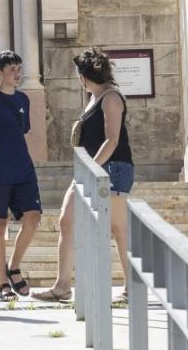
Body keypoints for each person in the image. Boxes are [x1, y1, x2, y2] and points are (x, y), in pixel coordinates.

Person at [34, 48, 135, 304]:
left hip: (113, 168)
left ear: (84, 75)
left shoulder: (111, 98)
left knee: (118, 228)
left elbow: (112, 141)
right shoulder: (93, 97)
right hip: (89, 168)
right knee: (66, 221)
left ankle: (132, 287)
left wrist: (90, 169)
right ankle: (62, 286)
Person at [0, 50, 42, 302]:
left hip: (23, 169)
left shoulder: (24, 99)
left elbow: (21, 133)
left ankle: (13, 267)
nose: (16, 73)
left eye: (18, 68)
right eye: (11, 69)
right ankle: (1, 282)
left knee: (34, 218)